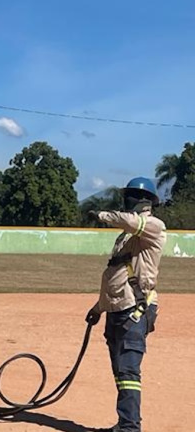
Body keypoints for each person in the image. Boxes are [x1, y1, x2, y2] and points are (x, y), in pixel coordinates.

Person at [86, 177, 166, 432]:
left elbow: (130, 221)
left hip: (135, 309)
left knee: (128, 371)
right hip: (118, 308)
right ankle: (125, 423)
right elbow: (114, 277)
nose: (128, 200)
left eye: (132, 195)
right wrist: (98, 308)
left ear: (145, 201)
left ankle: (130, 427)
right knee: (120, 371)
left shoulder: (153, 226)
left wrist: (102, 214)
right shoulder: (126, 237)